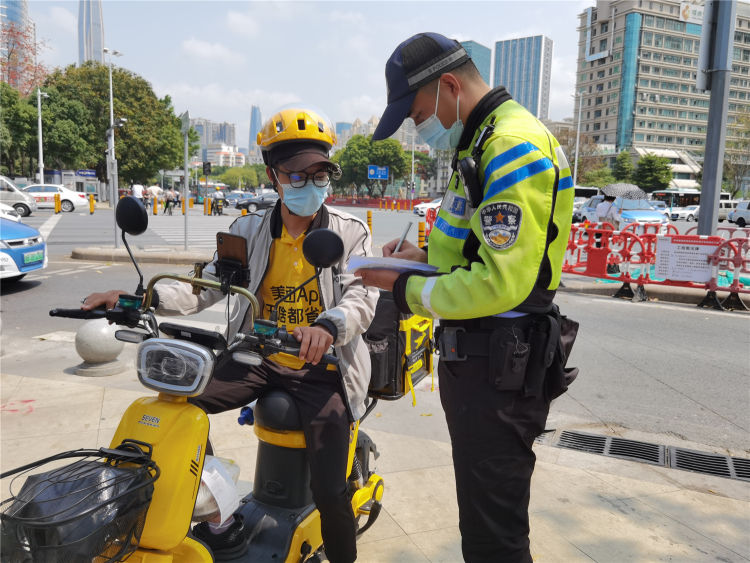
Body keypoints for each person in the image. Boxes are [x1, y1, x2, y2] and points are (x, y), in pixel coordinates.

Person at [82, 106, 378, 563]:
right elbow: (205, 287)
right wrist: (139, 299)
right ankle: (219, 514)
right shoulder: (248, 229)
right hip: (258, 355)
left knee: (330, 487)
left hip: (324, 368)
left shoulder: (349, 232)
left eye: (320, 174)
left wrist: (326, 326)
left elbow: (362, 298)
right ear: (273, 175)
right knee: (181, 411)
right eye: (297, 175)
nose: (310, 185)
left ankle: (343, 555)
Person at [355, 33, 575, 563]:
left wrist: (403, 286)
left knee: (493, 534)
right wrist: (421, 255)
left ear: (450, 86)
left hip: (501, 361)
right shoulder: (480, 142)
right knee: (481, 516)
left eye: (418, 113)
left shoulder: (510, 145)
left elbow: (503, 283)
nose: (418, 126)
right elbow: (477, 252)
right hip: (481, 360)